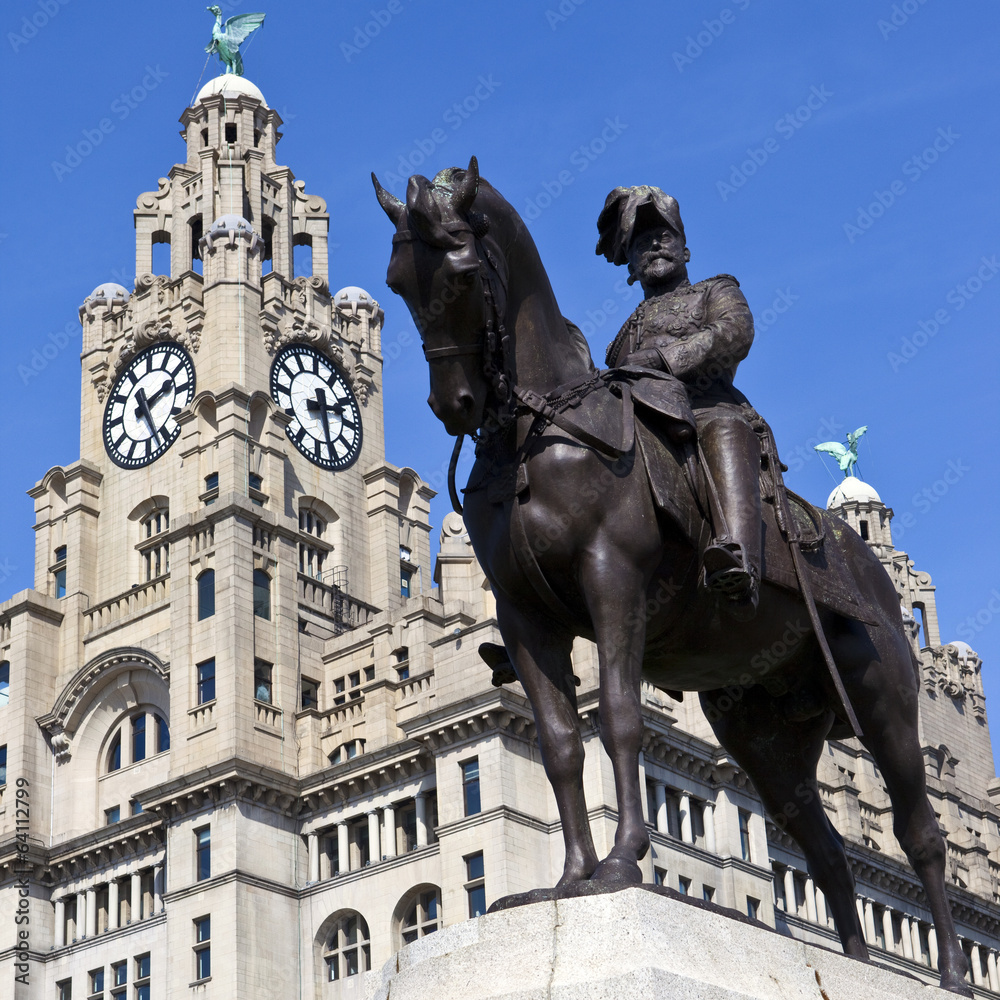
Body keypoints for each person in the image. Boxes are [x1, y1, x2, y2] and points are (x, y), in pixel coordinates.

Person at [597, 186, 762, 617]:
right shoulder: (620, 336)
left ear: (686, 251)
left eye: (664, 236)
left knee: (725, 429)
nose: (653, 244)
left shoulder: (715, 290)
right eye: (640, 241)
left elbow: (734, 332)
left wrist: (663, 358)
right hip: (640, 425)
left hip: (704, 409)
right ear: (631, 265)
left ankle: (738, 558)